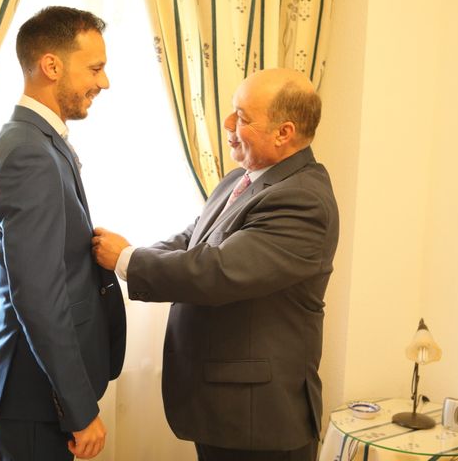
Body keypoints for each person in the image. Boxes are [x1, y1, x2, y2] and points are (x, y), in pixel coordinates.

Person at [92, 68, 339, 461]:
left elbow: (216, 271)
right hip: (227, 409)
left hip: (260, 421)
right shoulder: (241, 179)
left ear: (284, 132)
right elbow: (192, 240)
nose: (227, 124)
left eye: (242, 117)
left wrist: (127, 260)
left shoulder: (303, 201)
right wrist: (127, 253)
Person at [0, 6, 126, 461]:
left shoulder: (39, 141)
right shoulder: (30, 153)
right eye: (96, 68)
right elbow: (39, 297)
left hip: (42, 390)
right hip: (38, 394)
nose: (104, 83)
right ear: (51, 66)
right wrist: (80, 410)